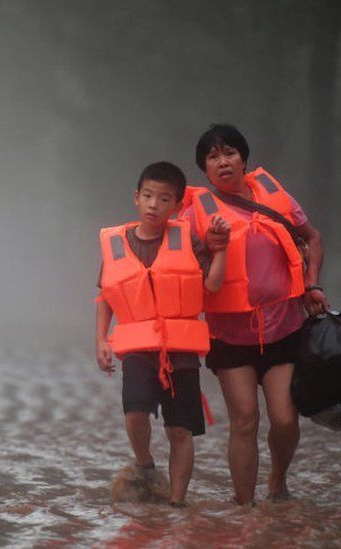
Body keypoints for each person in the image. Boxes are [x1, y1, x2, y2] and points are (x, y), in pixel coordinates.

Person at [181, 124, 329, 505]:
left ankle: (277, 482)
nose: (223, 161)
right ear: (205, 170)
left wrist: (313, 284)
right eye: (212, 157)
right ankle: (244, 507)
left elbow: (312, 238)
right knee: (244, 420)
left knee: (284, 419)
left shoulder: (275, 198)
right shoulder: (196, 215)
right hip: (231, 335)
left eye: (229, 152)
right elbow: (184, 269)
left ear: (243, 159)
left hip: (283, 327)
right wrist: (209, 249)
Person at [95, 161, 230, 506]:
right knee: (135, 411)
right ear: (136, 198)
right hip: (138, 347)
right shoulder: (115, 244)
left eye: (164, 199)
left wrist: (221, 250)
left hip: (180, 351)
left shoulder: (189, 241)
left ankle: (176, 504)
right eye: (149, 196)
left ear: (177, 205)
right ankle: (145, 464)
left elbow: (212, 285)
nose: (155, 204)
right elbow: (106, 295)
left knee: (179, 430)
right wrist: (101, 340)